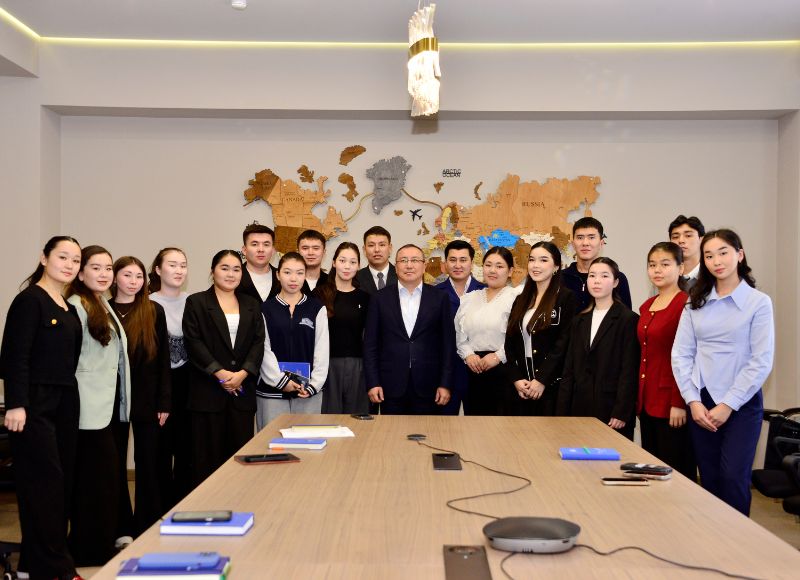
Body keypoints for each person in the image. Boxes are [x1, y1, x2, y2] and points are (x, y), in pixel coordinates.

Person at [672, 229, 774, 516]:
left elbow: (761, 360)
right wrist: (692, 400)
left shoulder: (758, 302)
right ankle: (712, 539)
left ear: (739, 255)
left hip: (741, 404)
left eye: (723, 252)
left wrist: (728, 404)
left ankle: (739, 541)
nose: (716, 261)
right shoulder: (695, 302)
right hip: (702, 402)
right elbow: (681, 354)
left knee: (733, 478)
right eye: (709, 255)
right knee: (710, 478)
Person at [0, 236, 83, 580]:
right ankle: (56, 567)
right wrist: (16, 404)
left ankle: (33, 565)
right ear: (44, 258)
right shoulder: (29, 300)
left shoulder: (69, 307)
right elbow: (14, 356)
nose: (69, 265)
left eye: (75, 260)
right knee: (44, 485)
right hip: (33, 405)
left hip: (65, 402)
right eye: (63, 257)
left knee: (62, 486)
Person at [66, 245, 132, 566]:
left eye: (108, 268)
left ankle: (99, 543)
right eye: (96, 267)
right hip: (86, 407)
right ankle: (89, 549)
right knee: (93, 482)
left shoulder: (101, 303)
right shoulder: (75, 306)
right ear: (81, 273)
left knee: (104, 480)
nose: (104, 274)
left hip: (107, 406)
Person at [182, 250, 265, 485]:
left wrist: (243, 373)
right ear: (213, 271)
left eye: (236, 269)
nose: (231, 274)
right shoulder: (197, 302)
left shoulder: (251, 304)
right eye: (224, 268)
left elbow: (258, 342)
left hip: (241, 391)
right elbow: (194, 341)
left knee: (239, 459)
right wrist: (220, 373)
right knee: (206, 459)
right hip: (207, 392)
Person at [111, 256, 171, 534]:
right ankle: (120, 527)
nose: (133, 281)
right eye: (127, 275)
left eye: (138, 276)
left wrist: (164, 401)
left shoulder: (153, 310)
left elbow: (163, 360)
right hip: (112, 400)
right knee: (114, 464)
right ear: (115, 278)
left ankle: (147, 524)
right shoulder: (103, 310)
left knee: (148, 464)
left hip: (148, 398)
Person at [363, 244, 454, 414]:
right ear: (396, 266)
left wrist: (445, 383)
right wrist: (373, 382)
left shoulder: (440, 298)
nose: (409, 265)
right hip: (390, 385)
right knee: (392, 431)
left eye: (415, 260)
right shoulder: (379, 299)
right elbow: (370, 345)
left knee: (428, 429)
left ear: (424, 265)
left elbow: (448, 345)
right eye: (403, 260)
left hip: (430, 384)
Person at [557, 257, 639, 439]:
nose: (597, 281)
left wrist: (622, 411)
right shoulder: (579, 320)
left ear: (616, 282)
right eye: (592, 276)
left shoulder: (628, 319)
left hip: (611, 410)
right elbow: (569, 369)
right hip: (579, 408)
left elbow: (629, 369)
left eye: (604, 276)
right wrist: (562, 410)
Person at [637, 242, 695, 479]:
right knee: (651, 469)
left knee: (676, 471)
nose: (657, 270)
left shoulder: (686, 304)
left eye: (665, 264)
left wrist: (679, 402)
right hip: (646, 399)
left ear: (680, 268)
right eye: (652, 265)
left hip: (672, 402)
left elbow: (688, 357)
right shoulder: (647, 306)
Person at [504, 241, 576, 416]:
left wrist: (542, 379)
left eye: (543, 260)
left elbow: (564, 344)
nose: (536, 265)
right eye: (532, 260)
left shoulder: (565, 298)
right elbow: (509, 343)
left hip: (551, 386)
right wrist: (516, 378)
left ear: (556, 266)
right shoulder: (520, 299)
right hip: (522, 385)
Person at [257, 252, 329, 427]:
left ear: (305, 275)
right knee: (271, 440)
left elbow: (322, 349)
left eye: (299, 273)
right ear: (278, 275)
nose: (293, 278)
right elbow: (263, 349)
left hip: (306, 391)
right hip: (272, 391)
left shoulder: (316, 308)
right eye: (287, 272)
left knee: (306, 441)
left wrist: (314, 385)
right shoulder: (265, 309)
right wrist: (280, 381)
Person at [148, 247, 192, 505]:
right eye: (172, 265)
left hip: (189, 385)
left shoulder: (194, 302)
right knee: (160, 451)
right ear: (158, 269)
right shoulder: (147, 303)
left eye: (183, 265)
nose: (179, 270)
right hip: (158, 387)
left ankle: (185, 506)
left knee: (187, 450)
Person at [454, 247, 520, 415]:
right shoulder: (469, 298)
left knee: (501, 425)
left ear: (510, 271)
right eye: (488, 265)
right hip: (473, 370)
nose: (492, 270)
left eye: (499, 266)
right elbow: (459, 334)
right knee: (474, 422)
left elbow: (519, 337)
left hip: (504, 370)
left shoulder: (517, 298)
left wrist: (498, 356)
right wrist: (468, 355)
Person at [313, 243, 370, 414]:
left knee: (357, 418)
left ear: (358, 266)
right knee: (329, 418)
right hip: (326, 365)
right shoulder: (319, 295)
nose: (347, 266)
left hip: (358, 365)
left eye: (353, 262)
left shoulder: (365, 298)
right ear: (333, 262)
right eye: (342, 260)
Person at [435, 240, 486, 415]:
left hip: (478, 370)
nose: (458, 265)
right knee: (443, 425)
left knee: (479, 424)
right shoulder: (434, 294)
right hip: (446, 373)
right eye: (453, 260)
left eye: (463, 260)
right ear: (445, 264)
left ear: (472, 263)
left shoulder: (485, 291)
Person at [562, 217, 632, 311]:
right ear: (573, 244)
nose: (585, 243)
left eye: (591, 237)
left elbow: (626, 316)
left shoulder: (616, 278)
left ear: (601, 243)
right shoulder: (560, 278)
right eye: (580, 237)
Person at [237, 222, 279, 304]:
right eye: (254, 244)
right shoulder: (233, 277)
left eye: (266, 244)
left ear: (273, 250)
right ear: (244, 250)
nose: (261, 249)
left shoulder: (282, 277)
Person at [668, 214, 706, 290]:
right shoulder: (664, 277)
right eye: (675, 237)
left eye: (688, 235)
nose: (681, 240)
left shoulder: (712, 276)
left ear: (701, 240)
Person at [356, 226, 396, 294]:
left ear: (390, 248)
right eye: (371, 245)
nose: (377, 250)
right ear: (364, 250)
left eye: (382, 245)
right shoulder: (355, 279)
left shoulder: (402, 275)